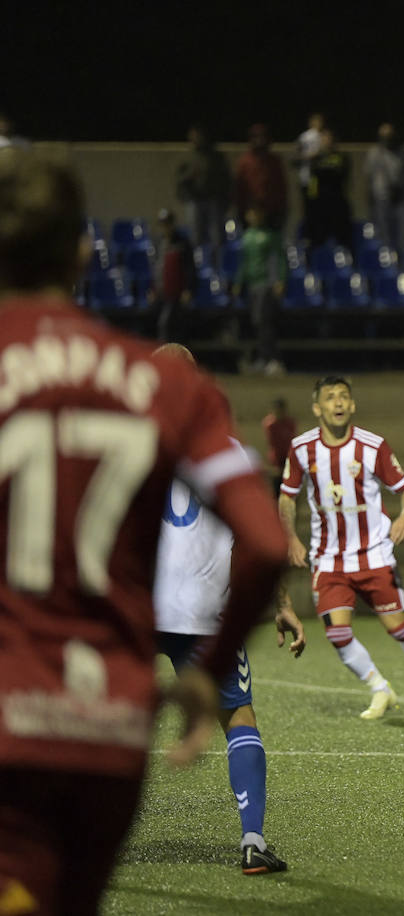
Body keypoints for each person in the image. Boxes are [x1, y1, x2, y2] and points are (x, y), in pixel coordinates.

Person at [0, 154, 286, 914]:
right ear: (82, 253)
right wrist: (208, 667)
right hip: (103, 732)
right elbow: (263, 543)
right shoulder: (164, 387)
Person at [152, 343, 305, 875]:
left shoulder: (123, 445)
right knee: (238, 716)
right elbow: (260, 543)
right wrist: (281, 603)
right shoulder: (229, 453)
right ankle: (253, 842)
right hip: (202, 614)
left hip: (135, 610)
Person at [278, 376, 404, 719]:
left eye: (344, 396)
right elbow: (287, 497)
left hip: (373, 552)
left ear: (353, 405)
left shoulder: (372, 446)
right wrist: (290, 537)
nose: (338, 403)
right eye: (330, 398)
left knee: (398, 628)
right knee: (338, 633)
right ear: (317, 408)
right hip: (329, 558)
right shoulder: (302, 448)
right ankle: (379, 688)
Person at [231, 204, 286, 376]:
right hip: (253, 285)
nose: (253, 216)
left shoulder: (270, 236)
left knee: (265, 322)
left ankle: (272, 360)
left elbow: (280, 259)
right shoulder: (247, 237)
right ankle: (263, 359)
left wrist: (280, 280)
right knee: (257, 322)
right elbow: (244, 262)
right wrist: (239, 282)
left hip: (266, 284)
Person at [175, 125, 232, 247]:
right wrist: (190, 177)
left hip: (214, 201)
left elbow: (226, 179)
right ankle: (198, 262)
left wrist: (226, 200)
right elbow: (179, 180)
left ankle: (216, 264)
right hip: (194, 201)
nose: (197, 139)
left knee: (216, 236)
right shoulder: (187, 157)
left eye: (199, 135)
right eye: (194, 136)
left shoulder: (216, 157)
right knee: (196, 236)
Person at [364, 123, 404, 253]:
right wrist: (371, 198)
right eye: (384, 136)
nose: (387, 139)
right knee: (383, 236)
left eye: (390, 136)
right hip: (381, 198)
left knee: (402, 236)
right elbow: (369, 176)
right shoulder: (374, 153)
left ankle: (402, 266)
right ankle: (387, 267)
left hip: (400, 199)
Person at [302, 128, 353, 252]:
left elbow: (339, 174)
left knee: (343, 240)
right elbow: (314, 176)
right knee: (317, 240)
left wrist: (324, 170)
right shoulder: (315, 158)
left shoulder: (342, 157)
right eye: (323, 138)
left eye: (328, 138)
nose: (326, 141)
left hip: (337, 204)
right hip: (319, 206)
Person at [233, 124, 288, 231]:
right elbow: (239, 187)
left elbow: (281, 186)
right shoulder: (245, 161)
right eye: (256, 137)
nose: (259, 140)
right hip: (251, 212)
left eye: (263, 137)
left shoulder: (274, 161)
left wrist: (282, 208)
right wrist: (242, 209)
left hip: (272, 211)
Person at [152, 208, 195, 342]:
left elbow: (190, 267)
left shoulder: (182, 242)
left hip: (176, 293)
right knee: (161, 324)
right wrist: (153, 289)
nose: (165, 227)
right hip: (161, 292)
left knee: (167, 324)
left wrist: (188, 289)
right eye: (162, 224)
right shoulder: (159, 243)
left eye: (167, 223)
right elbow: (156, 268)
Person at [293, 112, 326, 240]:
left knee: (320, 209)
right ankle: (308, 236)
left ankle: (319, 235)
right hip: (308, 178)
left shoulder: (324, 136)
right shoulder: (305, 136)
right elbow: (295, 156)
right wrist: (309, 156)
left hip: (322, 179)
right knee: (308, 208)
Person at [262, 397, 297, 491]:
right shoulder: (271, 424)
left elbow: (292, 440)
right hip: (276, 460)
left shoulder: (289, 423)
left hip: (288, 458)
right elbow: (273, 444)